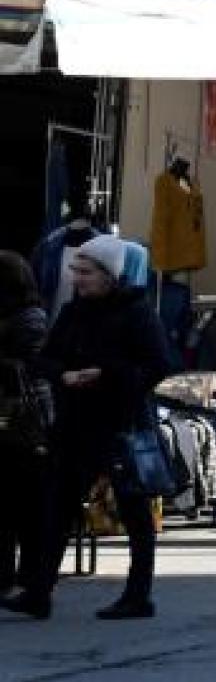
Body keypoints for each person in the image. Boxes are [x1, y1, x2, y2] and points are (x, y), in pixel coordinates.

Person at [12, 236, 168, 620]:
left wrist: (105, 373)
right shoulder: (73, 312)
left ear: (109, 274)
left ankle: (138, 595)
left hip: (121, 424)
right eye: (76, 270)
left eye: (86, 272)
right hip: (75, 423)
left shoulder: (136, 312)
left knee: (133, 510)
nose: (77, 278)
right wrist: (63, 375)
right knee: (58, 507)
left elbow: (159, 365)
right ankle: (39, 591)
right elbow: (45, 360)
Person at [0, 252, 53, 618]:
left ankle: (26, 575)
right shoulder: (20, 317)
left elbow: (33, 370)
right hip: (18, 422)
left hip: (24, 423)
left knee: (22, 504)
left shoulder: (29, 320)